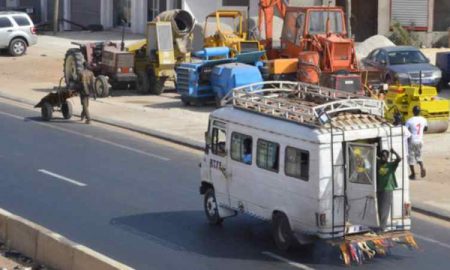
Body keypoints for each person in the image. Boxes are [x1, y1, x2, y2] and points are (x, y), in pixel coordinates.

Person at [377, 148, 401, 230]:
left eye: (385, 156)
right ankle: (380, 226)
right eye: (382, 156)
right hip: (380, 189)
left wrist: (394, 152)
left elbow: (399, 159)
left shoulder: (391, 165)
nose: (383, 158)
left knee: (384, 210)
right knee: (380, 209)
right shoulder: (378, 165)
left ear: (387, 157)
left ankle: (382, 228)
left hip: (387, 189)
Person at [405, 106, 428, 180]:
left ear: (413, 112)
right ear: (419, 112)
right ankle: (422, 167)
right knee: (419, 155)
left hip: (412, 140)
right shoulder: (424, 120)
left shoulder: (409, 120)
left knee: (411, 157)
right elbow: (426, 129)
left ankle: (413, 174)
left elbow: (406, 130)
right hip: (420, 140)